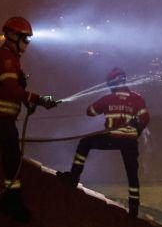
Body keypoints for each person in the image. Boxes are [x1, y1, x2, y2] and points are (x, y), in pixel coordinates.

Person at [0, 16, 60, 222]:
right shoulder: (7, 59)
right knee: (12, 158)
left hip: (3, 116)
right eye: (25, 39)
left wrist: (29, 101)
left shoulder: (9, 57)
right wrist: (37, 99)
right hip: (0, 116)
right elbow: (11, 89)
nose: (27, 43)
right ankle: (11, 201)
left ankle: (11, 197)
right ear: (12, 36)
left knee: (12, 156)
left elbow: (13, 89)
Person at [57, 68, 150, 217]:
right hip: (130, 142)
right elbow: (145, 119)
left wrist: (105, 104)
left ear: (112, 83)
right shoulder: (137, 98)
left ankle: (73, 178)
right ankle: (134, 208)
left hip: (112, 139)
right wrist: (136, 131)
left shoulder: (107, 99)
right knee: (132, 173)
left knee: (85, 143)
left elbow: (90, 111)